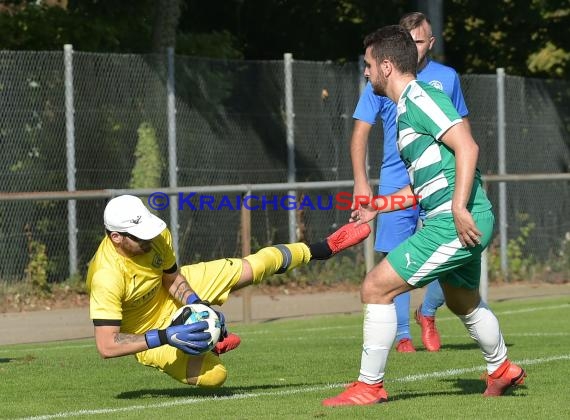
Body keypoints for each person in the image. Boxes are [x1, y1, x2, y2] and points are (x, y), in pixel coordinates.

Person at [322, 25, 526, 406]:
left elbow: (468, 147)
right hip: (459, 216)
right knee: (461, 300)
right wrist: (377, 206)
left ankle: (370, 386)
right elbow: (425, 186)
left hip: (456, 220)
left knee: (375, 287)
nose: (365, 73)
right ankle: (501, 370)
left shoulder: (420, 98)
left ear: (386, 66)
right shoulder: (406, 108)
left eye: (368, 65)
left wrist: (459, 206)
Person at [87, 194, 371, 388]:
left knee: (254, 267)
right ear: (116, 238)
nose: (150, 238)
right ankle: (212, 342)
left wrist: (199, 305)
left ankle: (322, 248)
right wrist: (167, 335)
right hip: (147, 330)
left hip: (170, 291)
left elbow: (172, 280)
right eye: (141, 237)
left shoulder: (156, 236)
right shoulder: (106, 276)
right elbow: (107, 346)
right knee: (215, 377)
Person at [351, 12, 471, 353]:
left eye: (420, 40)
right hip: (395, 183)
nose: (414, 47)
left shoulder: (445, 79)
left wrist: (468, 175)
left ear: (430, 43)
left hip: (437, 184)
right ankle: (403, 336)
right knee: (395, 258)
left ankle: (428, 311)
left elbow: (463, 134)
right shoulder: (380, 78)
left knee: (457, 253)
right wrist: (362, 183)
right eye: (409, 40)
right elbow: (360, 131)